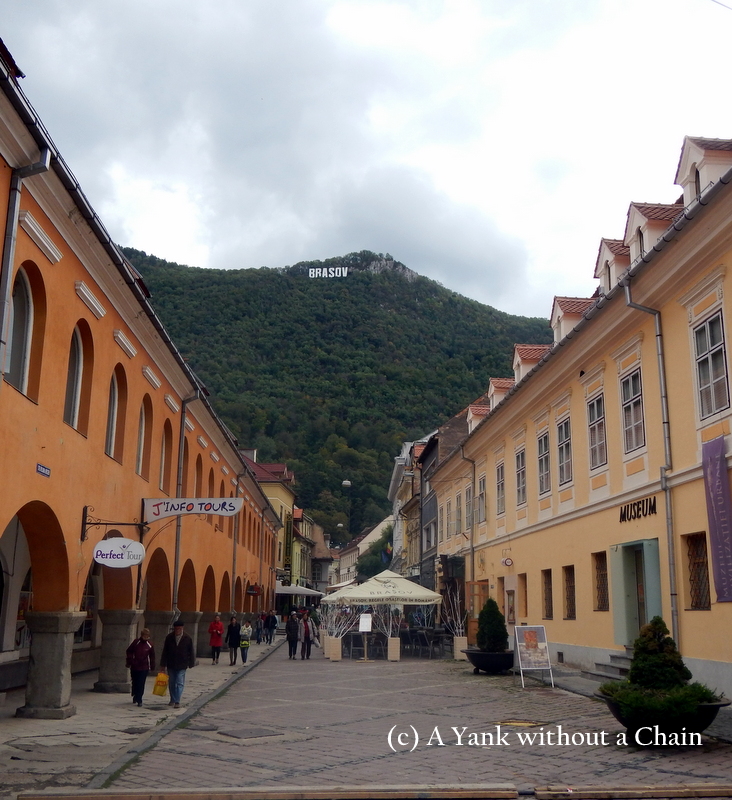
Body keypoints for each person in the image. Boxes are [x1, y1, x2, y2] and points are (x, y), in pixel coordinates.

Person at [160, 618, 196, 708]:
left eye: (179, 629)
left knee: (179, 682)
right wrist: (163, 664)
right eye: (176, 629)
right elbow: (165, 651)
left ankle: (177, 701)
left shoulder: (187, 638)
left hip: (182, 664)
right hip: (171, 663)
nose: (177, 631)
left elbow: (191, 651)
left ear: (182, 628)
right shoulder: (169, 638)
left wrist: (191, 662)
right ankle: (172, 699)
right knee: (172, 682)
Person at [125, 628, 155, 707]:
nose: (146, 637)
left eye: (147, 636)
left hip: (144, 667)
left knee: (141, 683)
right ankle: (135, 694)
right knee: (135, 682)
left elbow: (152, 656)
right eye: (144, 635)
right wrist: (130, 661)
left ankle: (139, 698)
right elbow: (129, 651)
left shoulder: (150, 644)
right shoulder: (136, 642)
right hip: (135, 666)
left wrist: (152, 666)